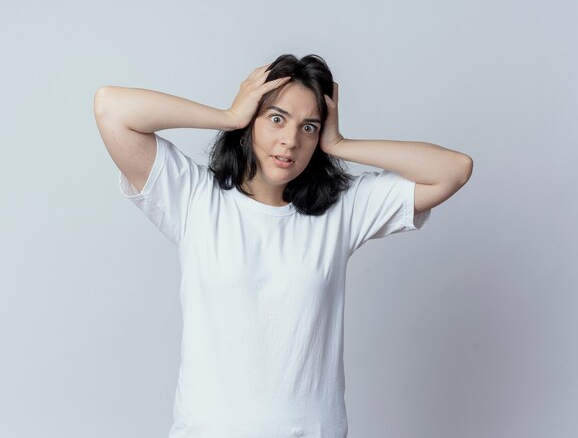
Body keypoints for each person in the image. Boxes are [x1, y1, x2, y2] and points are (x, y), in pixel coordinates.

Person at [93, 54, 473, 438]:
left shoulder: (342, 208)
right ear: (251, 122)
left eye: (308, 127)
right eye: (276, 118)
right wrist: (228, 115)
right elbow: (111, 107)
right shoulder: (195, 198)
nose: (291, 140)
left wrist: (339, 144)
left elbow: (453, 170)